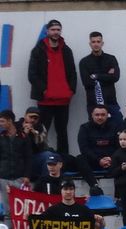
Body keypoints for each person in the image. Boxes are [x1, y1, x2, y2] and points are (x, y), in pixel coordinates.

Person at [28, 20, 76, 154]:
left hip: (63, 100)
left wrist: (70, 90)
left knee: (62, 132)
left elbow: (72, 72)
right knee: (42, 131)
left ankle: (64, 161)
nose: (56, 32)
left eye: (58, 29)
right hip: (45, 100)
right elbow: (32, 74)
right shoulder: (38, 50)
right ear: (47, 31)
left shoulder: (66, 50)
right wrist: (44, 90)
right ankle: (40, 159)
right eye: (53, 29)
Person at [79, 31, 122, 122]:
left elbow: (115, 77)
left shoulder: (111, 59)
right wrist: (107, 76)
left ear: (102, 43)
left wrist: (96, 76)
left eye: (98, 42)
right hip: (93, 104)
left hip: (111, 102)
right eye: (93, 42)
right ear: (90, 44)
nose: (96, 44)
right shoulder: (84, 62)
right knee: (95, 133)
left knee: (117, 128)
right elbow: (87, 82)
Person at [76, 105, 119, 190]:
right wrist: (98, 160)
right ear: (92, 115)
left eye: (103, 115)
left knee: (124, 159)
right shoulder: (84, 128)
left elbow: (119, 146)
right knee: (79, 159)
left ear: (107, 115)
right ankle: (94, 186)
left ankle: (119, 194)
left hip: (111, 161)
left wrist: (111, 158)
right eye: (97, 115)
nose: (100, 117)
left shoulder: (115, 127)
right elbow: (84, 149)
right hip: (93, 161)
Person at [1, 111, 32, 206]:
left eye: (2, 121)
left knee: (21, 209)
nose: (0, 124)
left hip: (20, 178)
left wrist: (27, 175)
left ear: (10, 121)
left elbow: (28, 157)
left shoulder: (23, 137)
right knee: (8, 210)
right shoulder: (0, 137)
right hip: (3, 178)